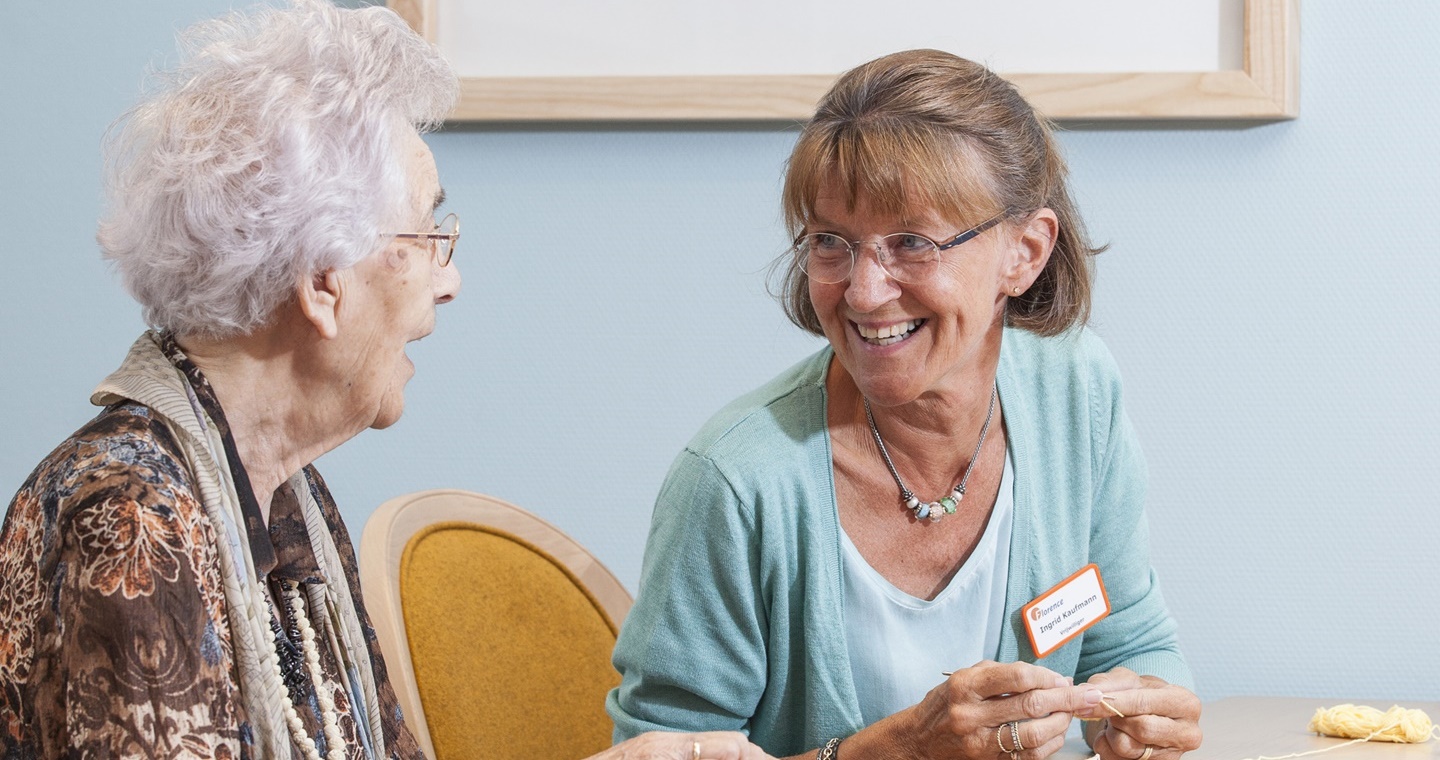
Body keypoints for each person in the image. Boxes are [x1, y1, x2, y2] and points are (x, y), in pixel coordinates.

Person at [0, 3, 769, 759]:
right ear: (325, 284)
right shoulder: (132, 520)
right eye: (430, 234)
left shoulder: (283, 495)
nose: (451, 279)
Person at [608, 49, 1203, 760]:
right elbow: (656, 751)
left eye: (913, 243)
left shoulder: (1075, 392)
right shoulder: (736, 481)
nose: (862, 291)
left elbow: (1132, 640)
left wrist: (1141, 709)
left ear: (1026, 250)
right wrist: (894, 751)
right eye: (832, 242)